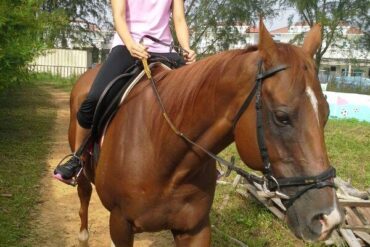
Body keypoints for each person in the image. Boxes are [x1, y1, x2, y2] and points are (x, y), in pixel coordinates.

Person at [53, 0, 196, 184]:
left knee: (193, 98)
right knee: (94, 99)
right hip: (127, 47)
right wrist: (131, 44)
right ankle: (77, 158)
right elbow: (118, 17)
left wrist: (186, 48)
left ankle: (201, 160)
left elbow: (179, 19)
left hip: (164, 50)